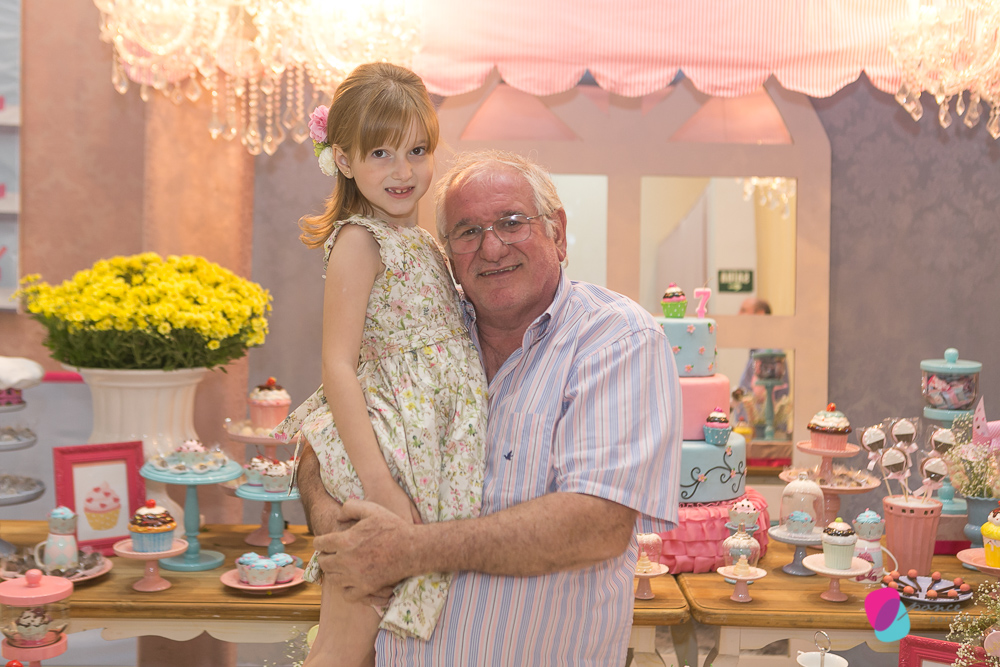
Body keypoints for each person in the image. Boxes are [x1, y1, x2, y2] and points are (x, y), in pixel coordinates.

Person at [298, 149, 682, 665]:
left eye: (511, 222)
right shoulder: (421, 336)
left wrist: (407, 550)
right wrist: (337, 526)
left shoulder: (617, 339)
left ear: (558, 233)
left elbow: (598, 524)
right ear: (447, 255)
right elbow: (320, 436)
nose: (492, 247)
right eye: (468, 231)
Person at [272, 63, 488, 667]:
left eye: (417, 150)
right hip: (386, 453)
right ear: (343, 159)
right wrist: (380, 486)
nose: (403, 170)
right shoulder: (359, 241)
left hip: (423, 450)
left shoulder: (424, 243)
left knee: (375, 645)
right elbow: (337, 365)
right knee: (344, 642)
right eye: (381, 153)